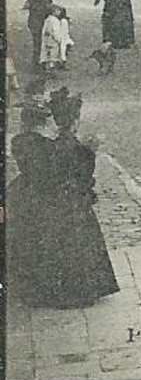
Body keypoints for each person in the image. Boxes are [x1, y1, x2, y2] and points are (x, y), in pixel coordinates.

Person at [6, 90, 120, 308]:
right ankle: (68, 290)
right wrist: (85, 149)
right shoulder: (49, 145)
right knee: (65, 243)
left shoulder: (27, 142)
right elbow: (69, 170)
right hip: (55, 201)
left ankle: (41, 288)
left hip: (34, 196)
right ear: (42, 123)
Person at [25, 0, 54, 71]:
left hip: (34, 19)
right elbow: (45, 4)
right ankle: (37, 65)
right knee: (39, 43)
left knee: (37, 43)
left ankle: (38, 64)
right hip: (38, 20)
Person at [40, 5, 74, 72]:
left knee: (46, 54)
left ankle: (46, 68)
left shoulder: (47, 20)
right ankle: (52, 70)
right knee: (53, 56)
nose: (59, 12)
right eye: (58, 11)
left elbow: (44, 31)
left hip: (46, 40)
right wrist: (59, 40)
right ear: (53, 12)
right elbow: (55, 32)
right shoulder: (55, 21)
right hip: (53, 41)